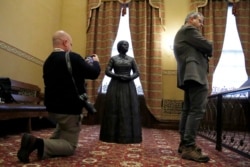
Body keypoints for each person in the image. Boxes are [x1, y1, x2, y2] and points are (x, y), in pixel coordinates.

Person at [17, 30, 101, 163]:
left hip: (51, 110)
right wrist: (95, 61)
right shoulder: (72, 57)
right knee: (70, 146)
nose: (71, 47)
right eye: (71, 44)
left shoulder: (48, 61)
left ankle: (41, 143)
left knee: (63, 127)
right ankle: (37, 143)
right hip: (69, 111)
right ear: (65, 42)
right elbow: (94, 73)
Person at [173, 12, 213, 163]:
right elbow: (208, 46)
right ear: (191, 19)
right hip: (195, 75)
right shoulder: (189, 30)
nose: (202, 25)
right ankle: (189, 146)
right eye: (200, 21)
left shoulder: (184, 33)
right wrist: (207, 48)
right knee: (196, 110)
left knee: (188, 110)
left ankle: (184, 144)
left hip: (189, 75)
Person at [99, 40, 142, 144]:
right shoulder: (113, 58)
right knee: (114, 108)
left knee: (128, 108)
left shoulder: (131, 60)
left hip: (128, 86)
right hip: (115, 85)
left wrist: (130, 77)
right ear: (119, 46)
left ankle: (129, 136)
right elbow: (107, 71)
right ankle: (111, 135)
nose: (126, 46)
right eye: (124, 44)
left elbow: (137, 72)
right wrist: (118, 76)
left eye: (127, 44)